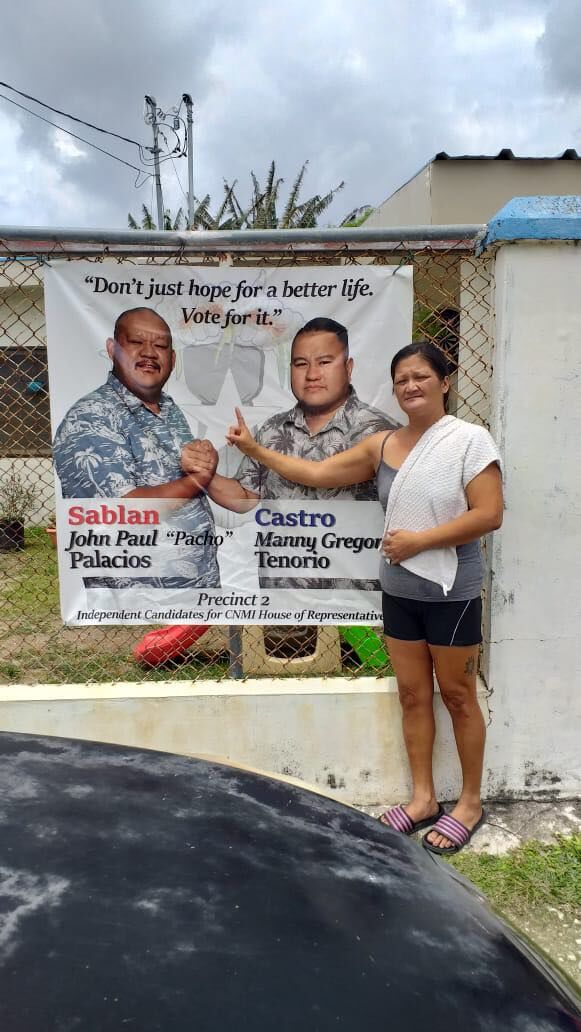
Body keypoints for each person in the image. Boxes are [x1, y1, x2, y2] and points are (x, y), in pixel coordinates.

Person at [224, 341, 503, 855]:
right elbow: (316, 473)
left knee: (459, 697)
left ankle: (468, 803)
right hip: (399, 591)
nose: (410, 386)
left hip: (450, 593)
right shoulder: (382, 445)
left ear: (444, 382)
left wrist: (419, 541)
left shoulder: (469, 441)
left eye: (421, 376)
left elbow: (489, 514)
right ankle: (422, 800)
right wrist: (253, 450)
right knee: (413, 695)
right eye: (400, 379)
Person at [183, 316, 397, 589]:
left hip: (357, 594)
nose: (312, 374)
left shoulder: (380, 432)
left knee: (362, 634)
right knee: (287, 635)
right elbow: (245, 498)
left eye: (324, 362)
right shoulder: (272, 430)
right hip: (286, 590)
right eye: (301, 364)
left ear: (348, 367)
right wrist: (205, 472)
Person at [53, 306, 220, 589]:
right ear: (112, 348)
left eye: (160, 346)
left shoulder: (168, 409)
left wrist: (204, 459)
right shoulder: (90, 416)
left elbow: (177, 476)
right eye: (136, 342)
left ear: (172, 358)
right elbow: (123, 511)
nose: (149, 353)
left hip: (192, 595)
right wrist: (198, 480)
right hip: (136, 604)